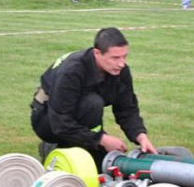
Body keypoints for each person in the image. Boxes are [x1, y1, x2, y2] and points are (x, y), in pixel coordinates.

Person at [31, 27, 158, 168]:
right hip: (48, 119)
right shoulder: (72, 71)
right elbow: (60, 122)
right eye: (115, 58)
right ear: (97, 53)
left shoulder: (121, 71)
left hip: (77, 117)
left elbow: (127, 109)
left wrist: (140, 136)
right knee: (92, 103)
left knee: (106, 163)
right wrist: (101, 139)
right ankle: (58, 149)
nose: (121, 63)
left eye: (124, 56)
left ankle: (83, 148)